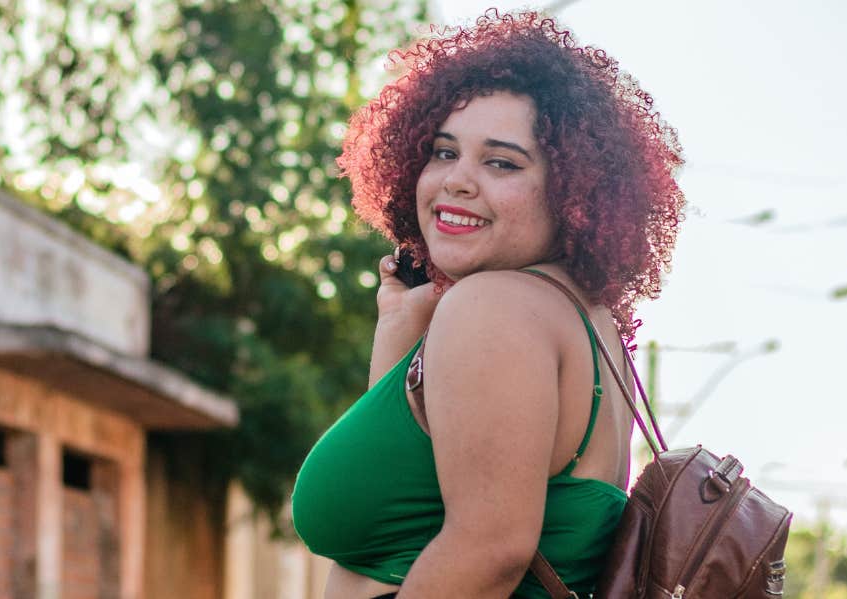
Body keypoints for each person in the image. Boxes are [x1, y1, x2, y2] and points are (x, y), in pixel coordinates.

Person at [291, 9, 684, 599]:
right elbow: (405, 503)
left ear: (573, 191)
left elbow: (491, 550)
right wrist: (400, 327)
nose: (457, 180)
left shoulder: (494, 308)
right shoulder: (584, 321)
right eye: (444, 152)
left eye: (501, 162)